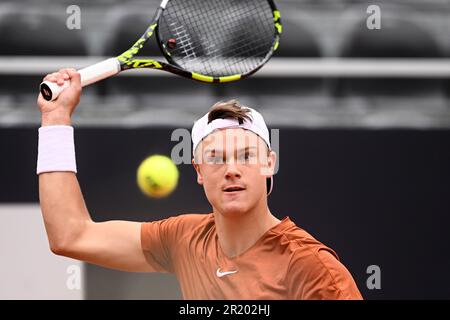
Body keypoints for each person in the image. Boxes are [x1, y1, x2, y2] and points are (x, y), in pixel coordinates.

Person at [37, 69, 363, 300]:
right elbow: (71, 235)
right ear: (198, 171)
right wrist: (55, 119)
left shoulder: (311, 267)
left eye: (246, 156)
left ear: (269, 163)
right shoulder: (184, 241)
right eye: (217, 158)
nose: (232, 170)